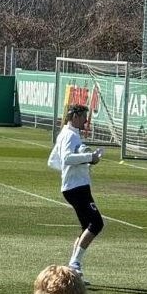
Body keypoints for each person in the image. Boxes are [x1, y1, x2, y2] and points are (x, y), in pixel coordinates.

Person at [48, 102, 104, 277]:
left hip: (74, 185)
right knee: (96, 223)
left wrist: (83, 163)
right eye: (83, 117)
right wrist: (89, 157)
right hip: (76, 186)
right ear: (75, 116)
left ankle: (73, 269)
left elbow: (53, 161)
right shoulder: (70, 135)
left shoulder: (66, 134)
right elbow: (66, 158)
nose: (86, 121)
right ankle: (74, 263)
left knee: (86, 226)